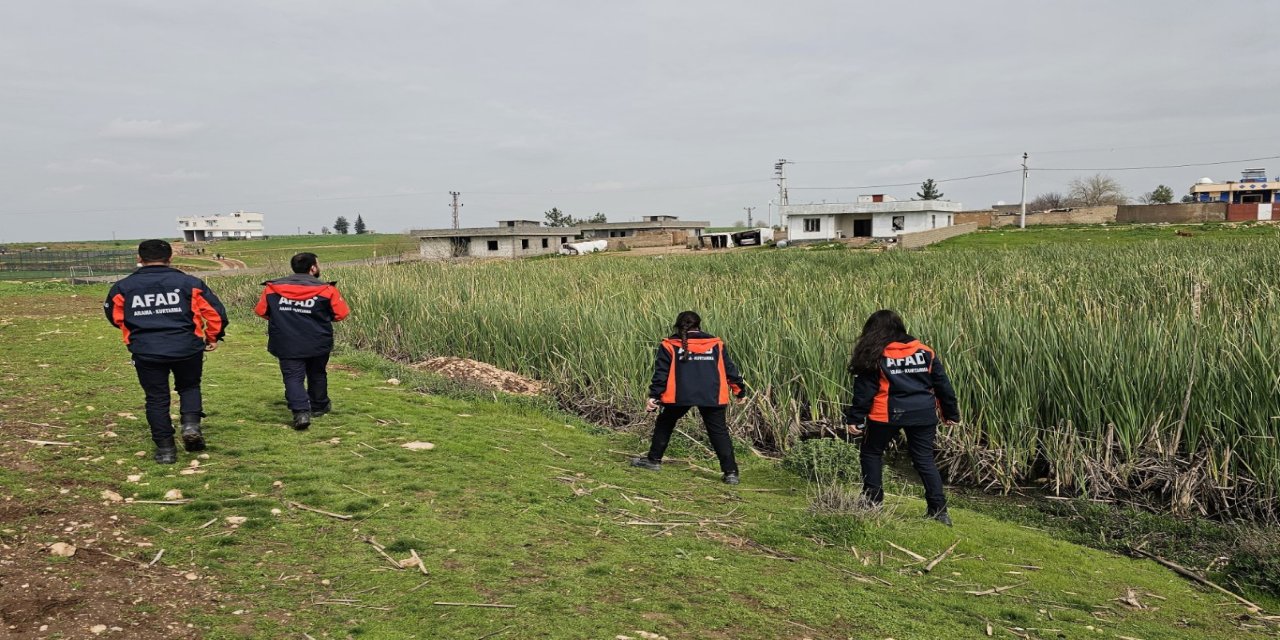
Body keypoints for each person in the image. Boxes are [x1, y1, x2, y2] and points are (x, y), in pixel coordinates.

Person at [104, 239, 228, 464]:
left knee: (156, 398)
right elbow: (215, 314)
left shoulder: (123, 287)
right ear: (170, 258)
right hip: (187, 347)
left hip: (146, 350)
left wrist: (139, 330)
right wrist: (212, 337)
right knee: (189, 387)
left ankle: (166, 450)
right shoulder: (190, 283)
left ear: (139, 259)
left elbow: (115, 317)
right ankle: (190, 426)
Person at [844, 309, 960, 526]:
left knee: (871, 453)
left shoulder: (874, 354)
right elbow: (943, 385)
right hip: (923, 414)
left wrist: (855, 419)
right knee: (924, 459)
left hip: (886, 414)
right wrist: (950, 413)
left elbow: (864, 392)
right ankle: (939, 511)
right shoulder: (924, 351)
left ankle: (872, 503)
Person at [632, 311, 747, 485]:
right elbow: (730, 370)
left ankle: (653, 461)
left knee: (665, 423)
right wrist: (739, 392)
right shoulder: (716, 344)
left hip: (679, 395)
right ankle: (731, 473)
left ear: (678, 326)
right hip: (712, 395)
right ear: (699, 325)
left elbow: (661, 374)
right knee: (719, 432)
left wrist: (654, 396)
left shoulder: (669, 345)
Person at [255, 252, 350, 430]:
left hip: (286, 341)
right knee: (317, 373)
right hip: (318, 340)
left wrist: (283, 318)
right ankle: (319, 406)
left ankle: (301, 413)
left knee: (293, 377)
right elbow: (341, 314)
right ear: (313, 268)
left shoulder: (272, 288)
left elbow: (261, 311)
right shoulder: (327, 290)